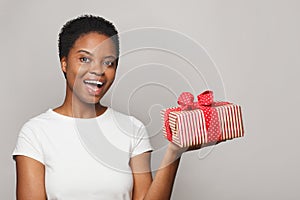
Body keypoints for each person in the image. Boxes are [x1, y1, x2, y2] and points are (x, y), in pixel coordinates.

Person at [12, 15, 201, 200]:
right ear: (64, 63)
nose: (98, 70)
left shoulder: (133, 129)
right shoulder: (35, 133)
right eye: (85, 59)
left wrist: (175, 152)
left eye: (108, 62)